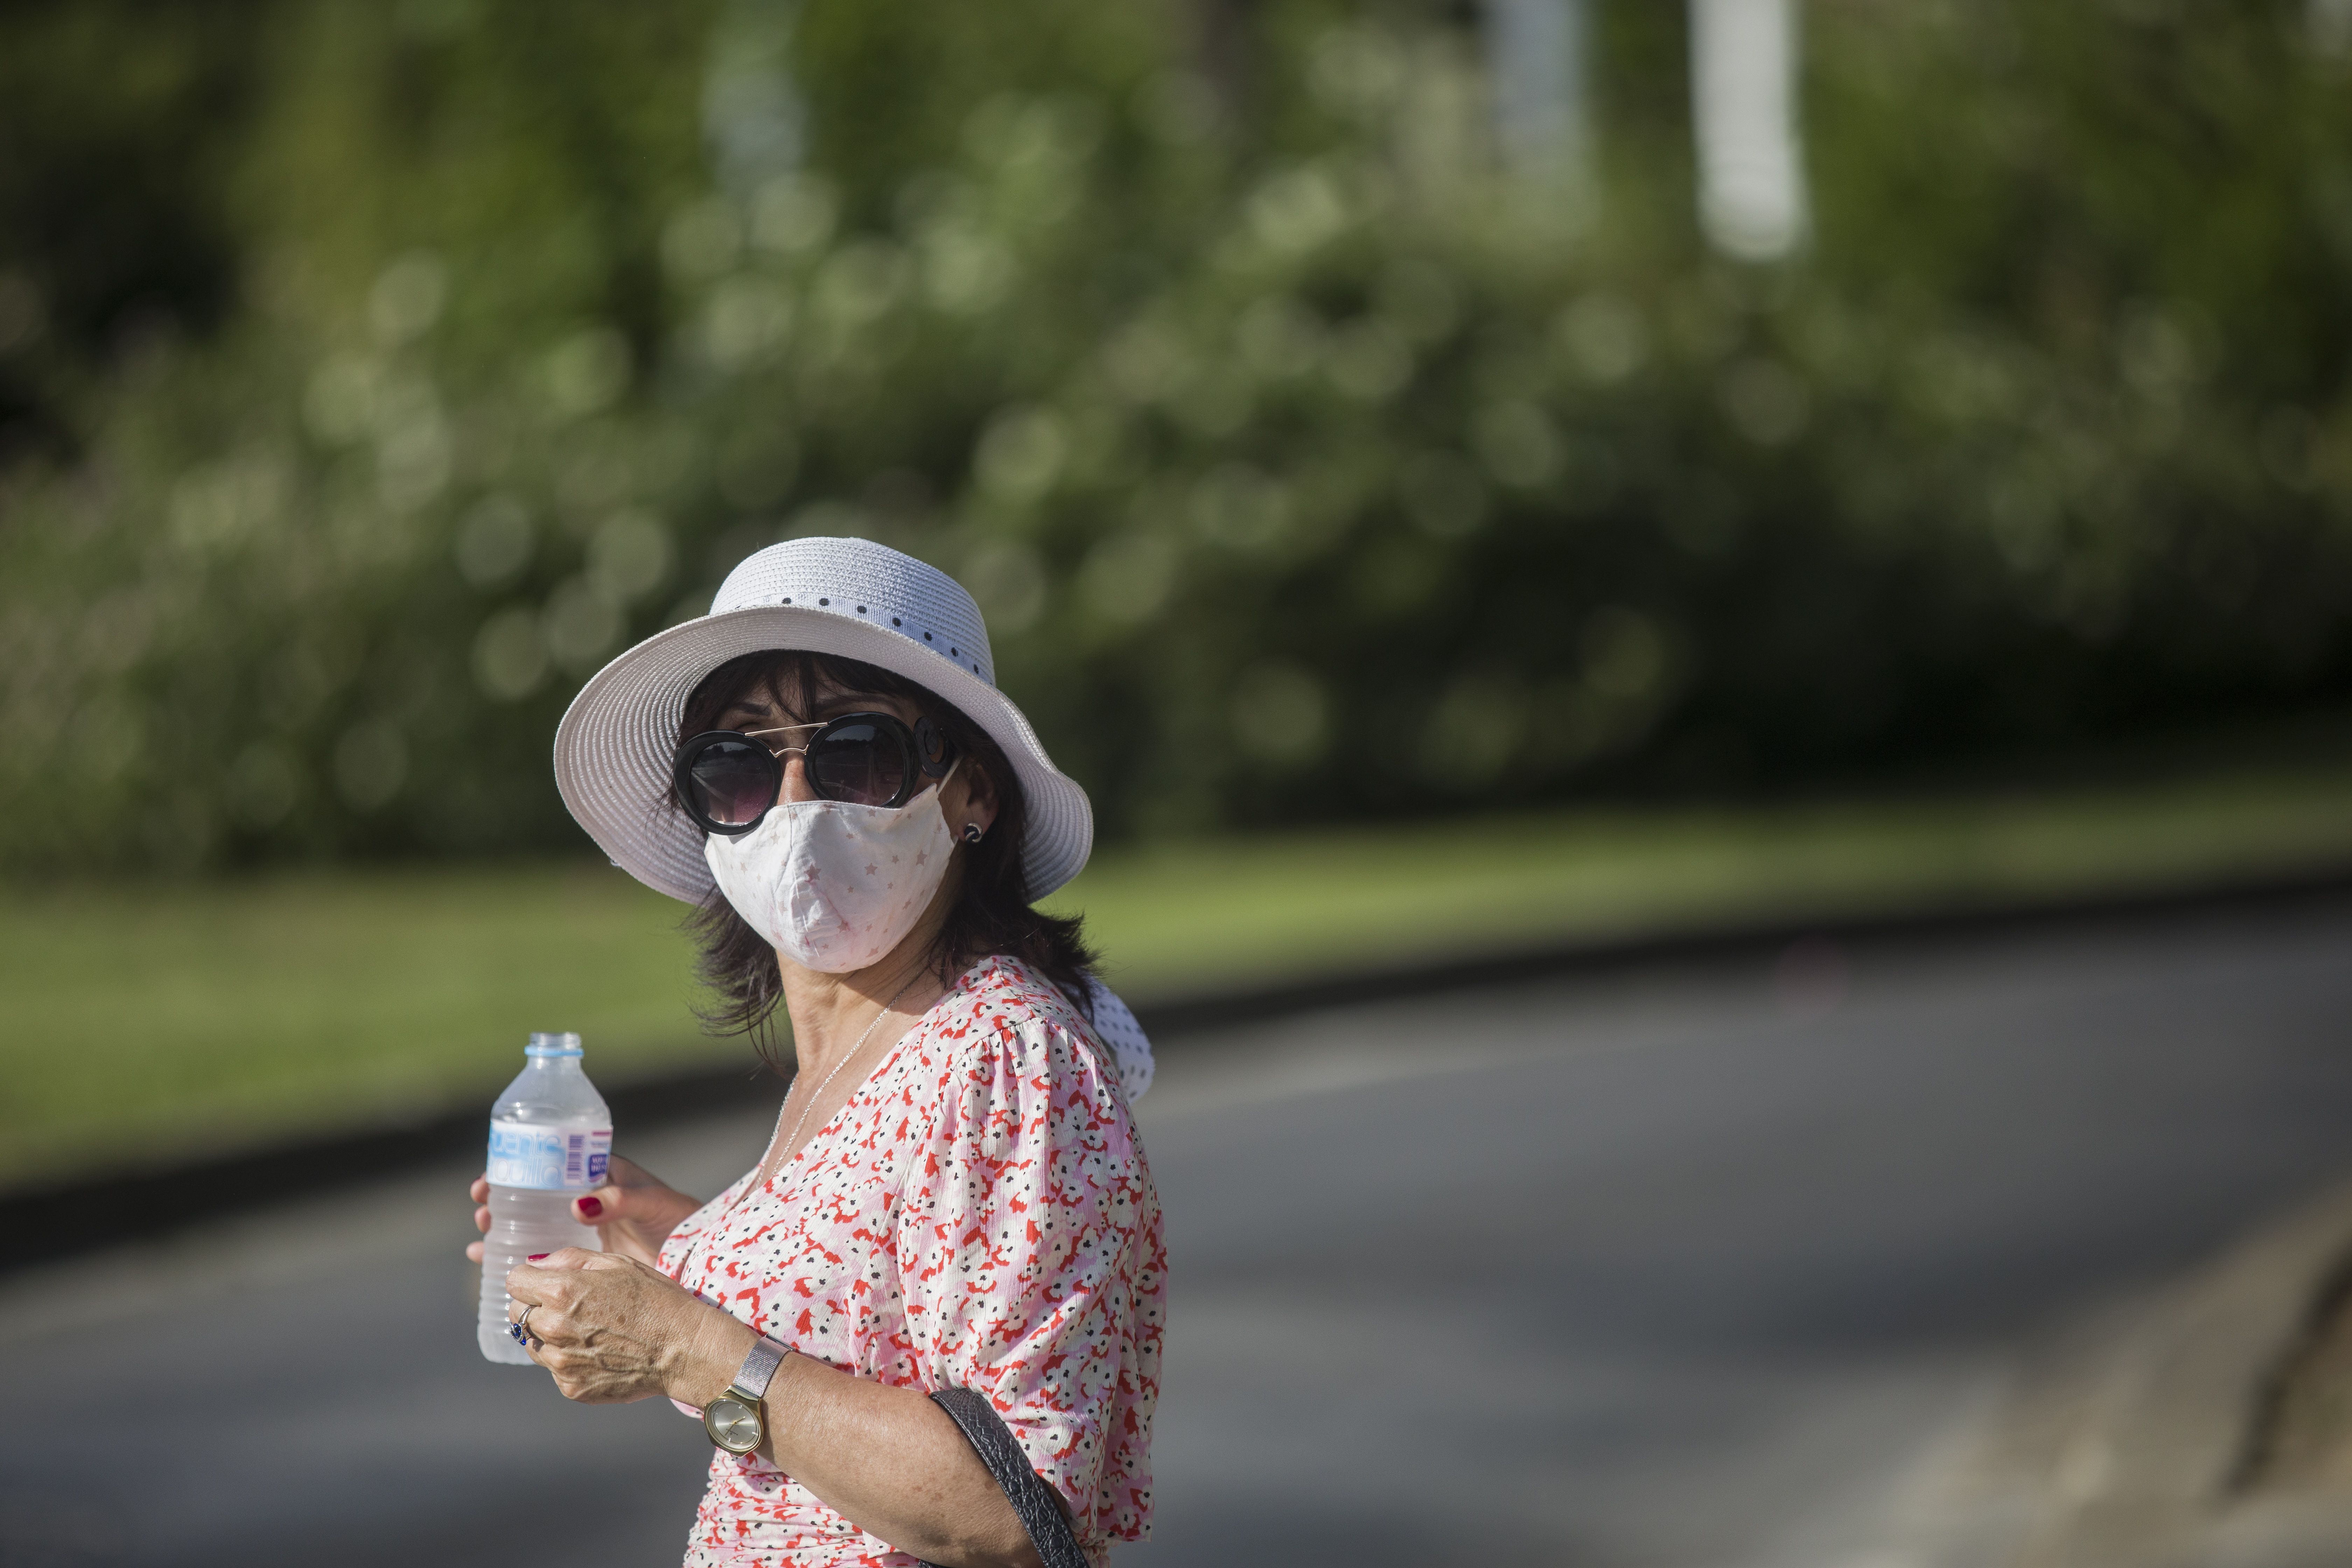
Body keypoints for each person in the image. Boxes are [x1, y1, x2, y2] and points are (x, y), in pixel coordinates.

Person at [464, 536, 1166, 1568]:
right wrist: (685, 1251)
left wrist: (684, 1342)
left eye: (857, 756)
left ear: (973, 793)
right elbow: (861, 1353)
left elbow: (1014, 1507)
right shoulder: (863, 1056)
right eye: (738, 767)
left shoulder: (1001, 1056)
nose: (793, 804)